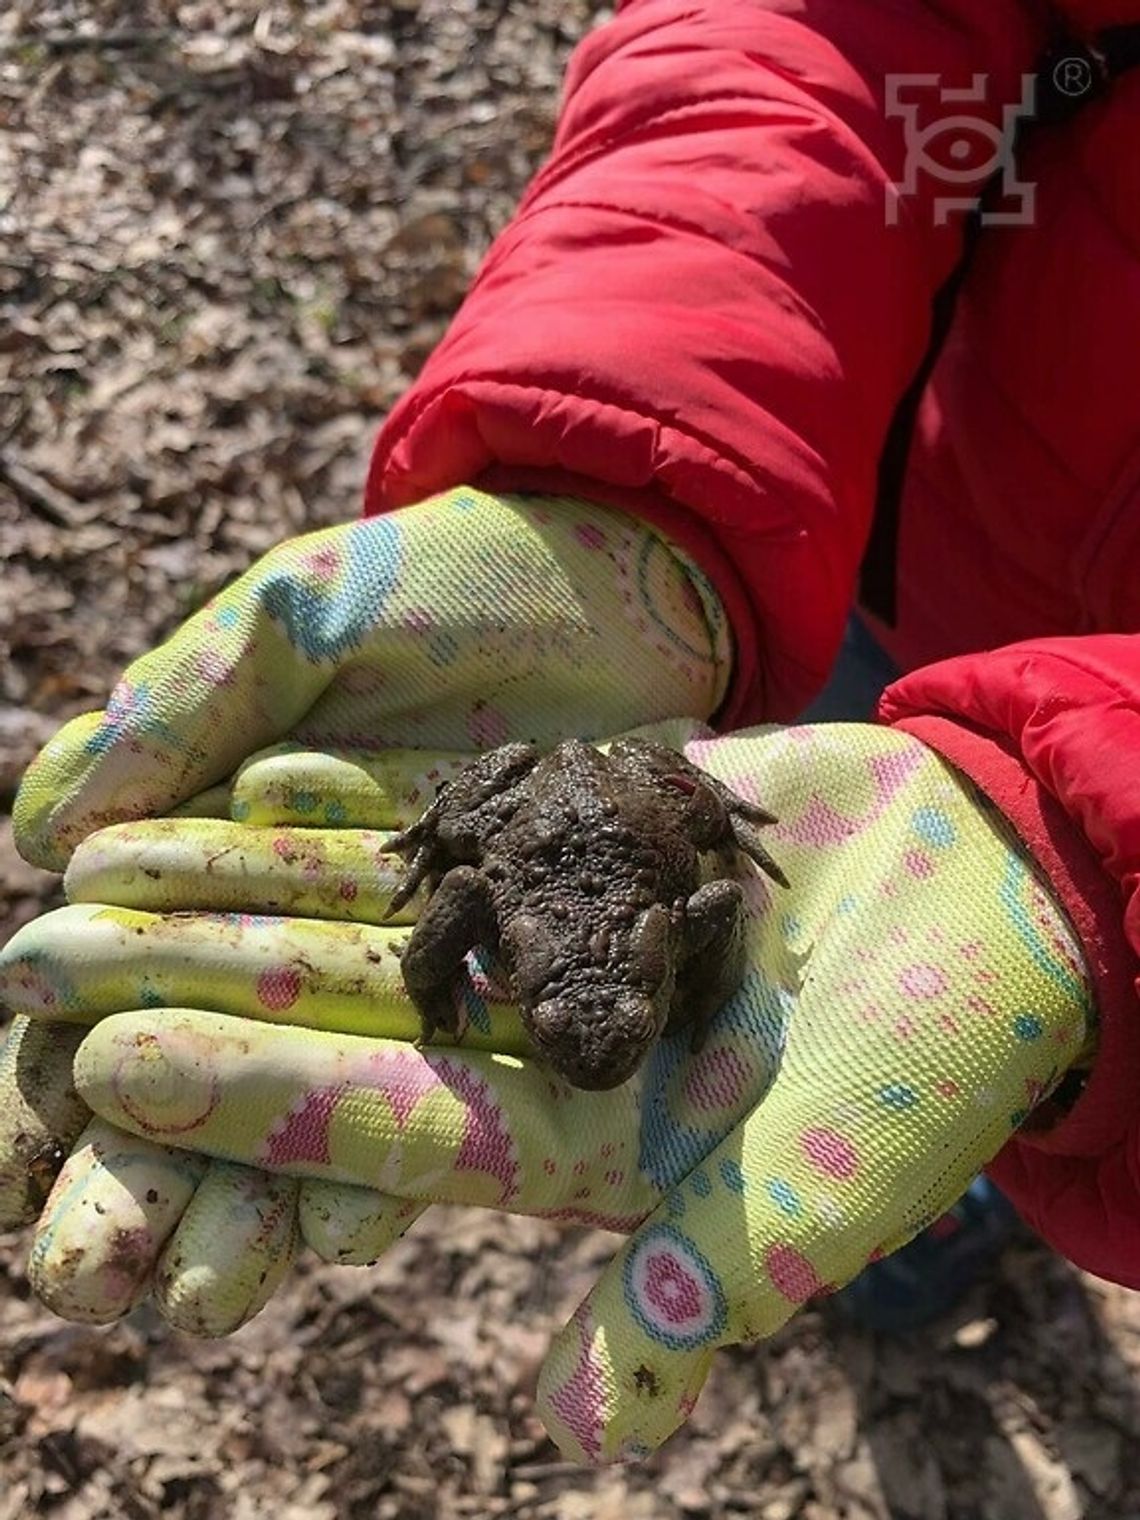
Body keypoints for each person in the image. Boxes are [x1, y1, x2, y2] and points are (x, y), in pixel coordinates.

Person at [3, 0, 1140, 1464]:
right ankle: (941, 1209)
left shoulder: (618, 932)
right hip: (894, 550)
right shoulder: (552, 924)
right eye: (568, 1023)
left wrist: (1101, 856)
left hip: (932, 754)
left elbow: (700, 891)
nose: (584, 1043)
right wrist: (637, 478)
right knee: (812, 811)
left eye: (573, 1023)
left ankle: (959, 1179)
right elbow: (825, 40)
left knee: (931, 992)